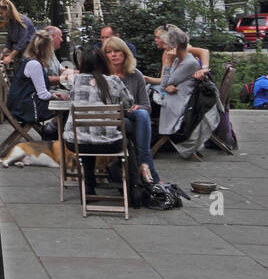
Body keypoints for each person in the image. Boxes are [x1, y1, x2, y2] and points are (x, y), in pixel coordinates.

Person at [64, 46, 132, 197]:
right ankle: (131, 185)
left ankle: (88, 187)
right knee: (129, 135)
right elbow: (128, 104)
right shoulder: (114, 81)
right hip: (110, 145)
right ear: (103, 62)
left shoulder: (75, 81)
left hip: (76, 143)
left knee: (86, 138)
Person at [103, 36, 160, 183]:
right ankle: (147, 170)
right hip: (111, 120)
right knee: (138, 124)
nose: (113, 55)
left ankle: (140, 163)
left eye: (117, 51)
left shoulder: (136, 75)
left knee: (141, 114)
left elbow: (146, 106)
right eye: (109, 52)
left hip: (132, 117)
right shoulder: (103, 76)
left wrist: (137, 106)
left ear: (124, 53)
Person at [157, 27, 203, 137]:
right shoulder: (178, 59)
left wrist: (168, 62)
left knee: (144, 109)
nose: (164, 47)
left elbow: (163, 83)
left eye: (166, 44)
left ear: (175, 46)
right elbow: (166, 82)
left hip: (178, 104)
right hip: (173, 99)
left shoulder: (189, 63)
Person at [6, 30, 56, 128]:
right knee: (65, 106)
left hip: (18, 105)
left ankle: (51, 132)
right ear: (46, 49)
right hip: (25, 109)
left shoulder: (28, 61)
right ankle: (54, 133)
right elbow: (43, 95)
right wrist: (55, 96)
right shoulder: (34, 65)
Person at [146, 25, 211, 85]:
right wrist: (145, 79)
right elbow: (163, 79)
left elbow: (204, 51)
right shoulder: (167, 53)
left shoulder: (182, 50)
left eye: (158, 37)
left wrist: (204, 69)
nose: (155, 40)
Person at [0, 0, 37, 65]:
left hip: (30, 51)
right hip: (19, 52)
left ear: (8, 10)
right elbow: (9, 40)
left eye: (1, 13)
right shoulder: (9, 22)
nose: (1, 15)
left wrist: (10, 56)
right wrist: (3, 53)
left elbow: (22, 41)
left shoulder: (23, 21)